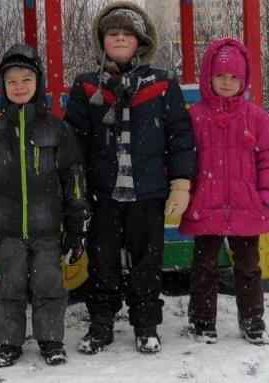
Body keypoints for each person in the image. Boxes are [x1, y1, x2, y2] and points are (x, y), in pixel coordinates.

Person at [64, 1, 196, 354]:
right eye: (112, 33)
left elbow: (180, 136)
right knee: (102, 262)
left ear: (141, 41)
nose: (120, 38)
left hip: (148, 193)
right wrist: (77, 191)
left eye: (127, 33)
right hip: (103, 194)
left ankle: (146, 324)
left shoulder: (163, 84)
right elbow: (74, 143)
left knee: (147, 263)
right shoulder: (87, 85)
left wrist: (180, 184)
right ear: (101, 40)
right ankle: (102, 323)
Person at [0, 43, 90, 368]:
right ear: (3, 86)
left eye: (26, 79)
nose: (19, 87)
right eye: (12, 81)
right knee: (10, 287)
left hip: (48, 229)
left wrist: (76, 226)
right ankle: (8, 341)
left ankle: (50, 339)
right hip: (8, 230)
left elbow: (73, 180)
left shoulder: (56, 129)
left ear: (37, 83)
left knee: (48, 285)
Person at [178, 37, 269, 345]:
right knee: (204, 265)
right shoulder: (196, 117)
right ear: (208, 77)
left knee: (248, 266)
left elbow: (266, 159)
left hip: (245, 206)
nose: (226, 82)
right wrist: (184, 194)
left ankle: (253, 319)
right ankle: (202, 320)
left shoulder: (256, 117)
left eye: (233, 77)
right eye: (220, 76)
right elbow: (184, 158)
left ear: (243, 80)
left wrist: (265, 195)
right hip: (207, 203)